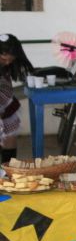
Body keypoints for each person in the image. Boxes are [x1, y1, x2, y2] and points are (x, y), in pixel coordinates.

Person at [0, 34, 33, 163]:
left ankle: (8, 170)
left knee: (9, 137)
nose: (8, 63)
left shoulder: (6, 66)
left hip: (6, 104)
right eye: (4, 59)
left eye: (11, 60)